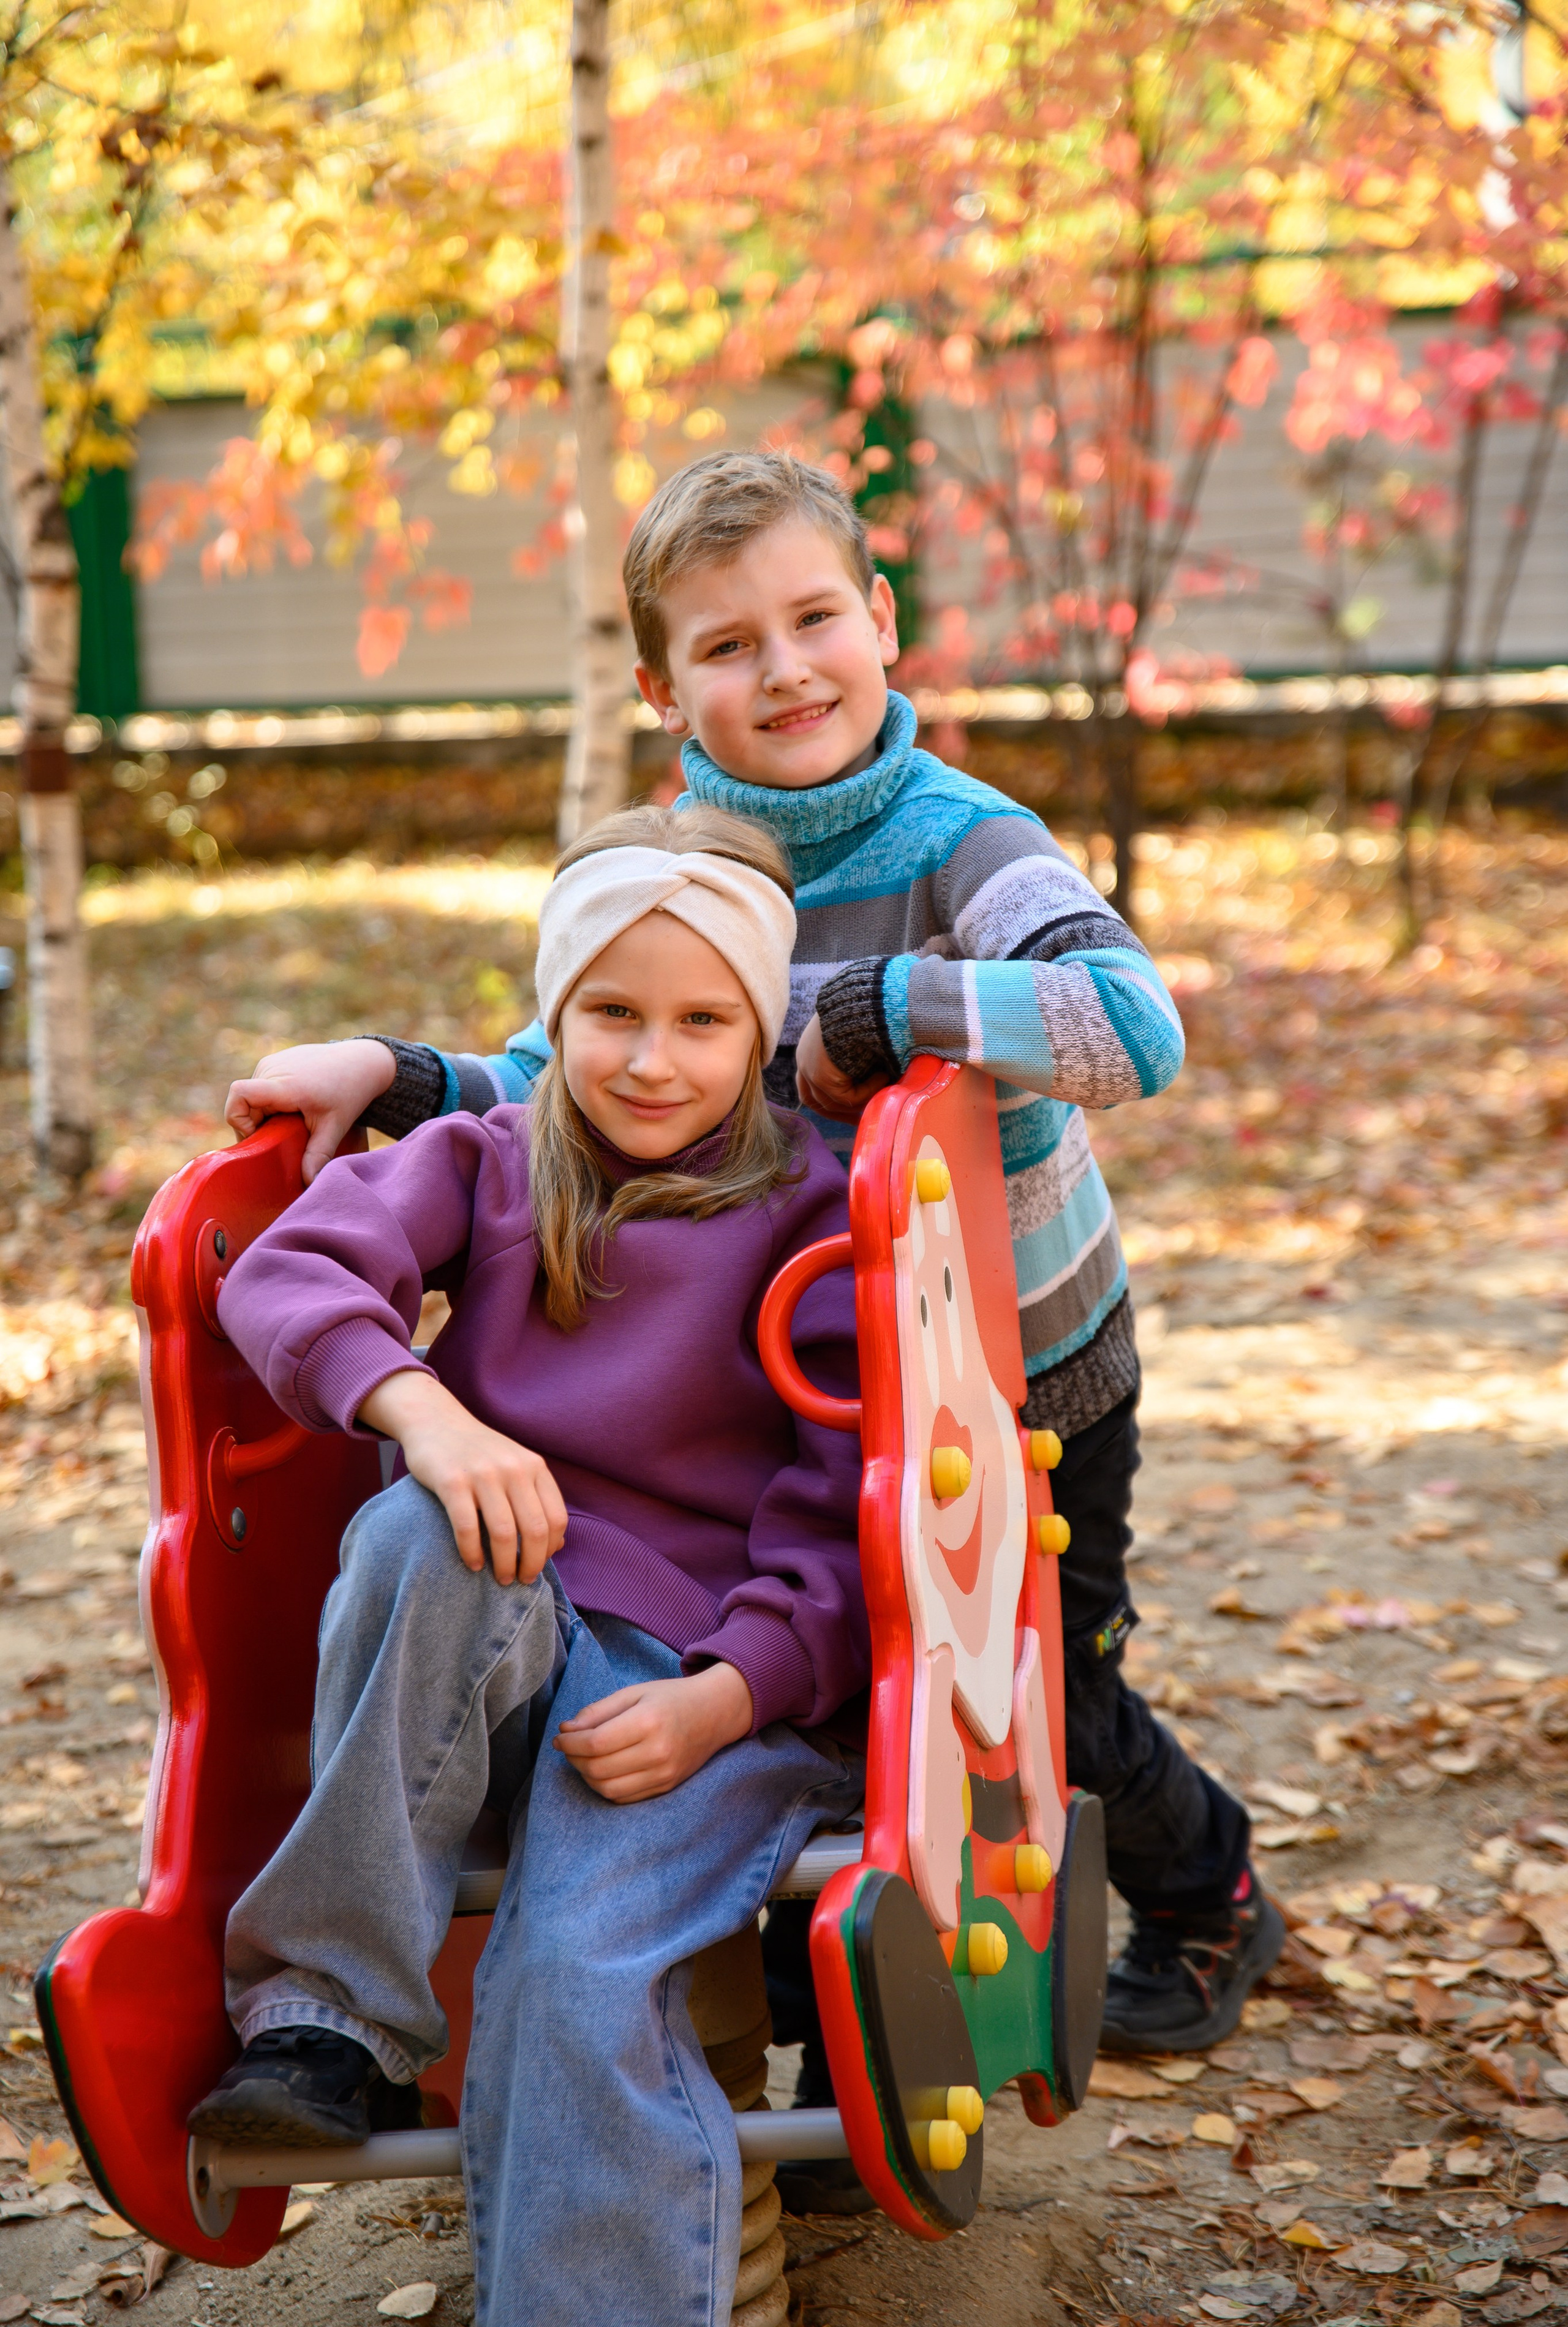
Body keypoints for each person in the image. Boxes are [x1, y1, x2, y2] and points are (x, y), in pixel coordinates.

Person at [225, 450, 1281, 2132]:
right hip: (802, 1374)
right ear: (665, 690)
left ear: (881, 625)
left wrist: (883, 1010)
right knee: (843, 1677)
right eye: (728, 645)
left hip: (1008, 1368)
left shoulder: (965, 845)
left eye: (813, 621)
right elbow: (563, 1064)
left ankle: (1211, 1885)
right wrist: (406, 1069)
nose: (784, 670)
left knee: (1030, 1691)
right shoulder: (691, 850)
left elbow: (1128, 1028)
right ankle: (819, 2023)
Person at [192, 803, 869, 2327]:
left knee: (567, 1981)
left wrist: (728, 1698)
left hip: (693, 1672)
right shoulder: (487, 1156)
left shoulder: (814, 1211)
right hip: (500, 1610)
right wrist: (424, 1410)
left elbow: (844, 1520)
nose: (652, 1058)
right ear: (552, 1014)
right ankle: (326, 2018)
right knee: (410, 1527)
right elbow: (290, 1268)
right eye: (610, 1013)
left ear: (758, 1027)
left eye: (705, 1020)